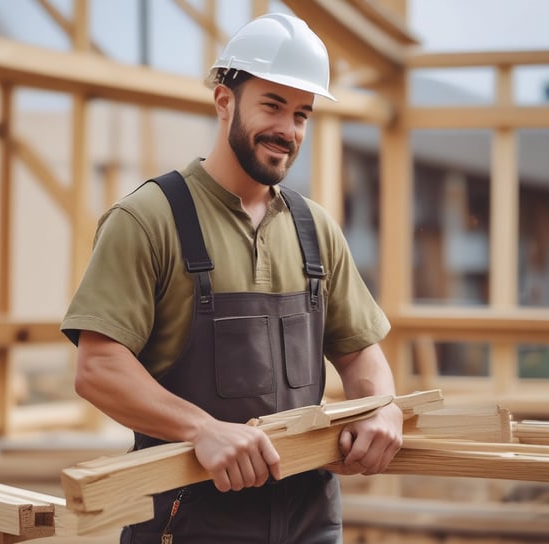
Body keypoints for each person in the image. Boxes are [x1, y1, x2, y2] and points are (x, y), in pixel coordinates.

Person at [61, 12, 402, 544]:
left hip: (309, 520)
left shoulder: (316, 230)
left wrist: (382, 408)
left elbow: (361, 354)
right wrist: (202, 430)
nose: (288, 131)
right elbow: (99, 367)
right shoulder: (148, 220)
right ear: (224, 100)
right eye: (272, 105)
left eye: (302, 115)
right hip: (189, 521)